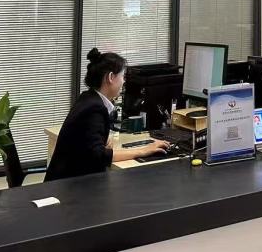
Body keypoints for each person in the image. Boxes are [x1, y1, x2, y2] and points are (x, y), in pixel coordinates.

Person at [45, 49, 169, 181]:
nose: (124, 81)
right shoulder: (94, 108)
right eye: (122, 76)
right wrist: (143, 150)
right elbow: (99, 156)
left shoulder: (88, 98)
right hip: (69, 187)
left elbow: (89, 145)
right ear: (110, 77)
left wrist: (101, 141)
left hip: (65, 181)